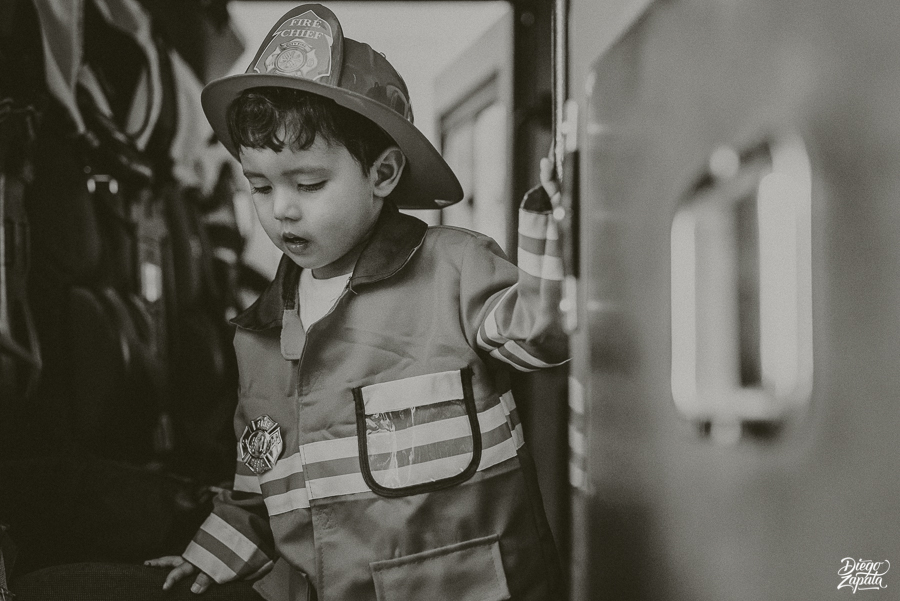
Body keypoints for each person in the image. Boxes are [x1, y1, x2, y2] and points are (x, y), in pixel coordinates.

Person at [146, 4, 568, 600]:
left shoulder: (456, 267)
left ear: (384, 173)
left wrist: (551, 226)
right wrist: (208, 559)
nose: (282, 209)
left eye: (309, 184)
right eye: (260, 186)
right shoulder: (258, 334)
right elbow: (259, 491)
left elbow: (539, 338)